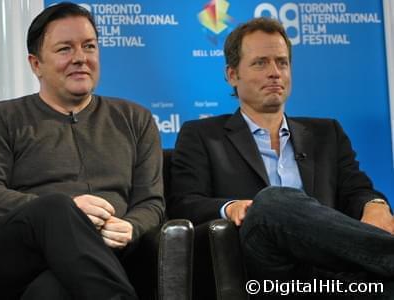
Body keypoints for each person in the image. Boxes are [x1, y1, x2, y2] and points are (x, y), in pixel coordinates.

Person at [168, 17, 394, 298]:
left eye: (282, 62)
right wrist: (230, 207)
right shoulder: (201, 134)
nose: (275, 72)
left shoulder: (327, 133)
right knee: (271, 200)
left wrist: (375, 204)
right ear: (232, 74)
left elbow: (357, 189)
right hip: (261, 268)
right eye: (260, 63)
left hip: (332, 270)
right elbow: (184, 203)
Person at [0, 2, 164, 300]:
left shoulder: (135, 118)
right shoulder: (0, 117)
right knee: (56, 207)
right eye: (65, 49)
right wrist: (69, 210)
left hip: (103, 257)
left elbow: (152, 202)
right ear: (35, 64)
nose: (80, 58)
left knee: (52, 291)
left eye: (89, 46)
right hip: (13, 258)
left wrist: (131, 226)